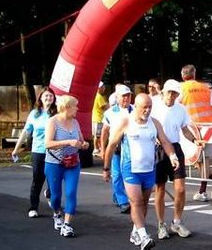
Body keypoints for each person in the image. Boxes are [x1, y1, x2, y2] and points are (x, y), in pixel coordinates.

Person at [103, 93, 179, 250]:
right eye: (144, 107)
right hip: (130, 169)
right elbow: (112, 145)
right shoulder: (126, 122)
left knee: (144, 203)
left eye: (150, 107)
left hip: (149, 169)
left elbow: (165, 141)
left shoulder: (154, 123)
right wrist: (106, 168)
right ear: (136, 107)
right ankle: (144, 236)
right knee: (136, 201)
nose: (147, 110)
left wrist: (172, 156)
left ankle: (135, 231)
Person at [152, 79, 201, 239]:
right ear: (163, 92)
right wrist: (154, 138)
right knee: (160, 188)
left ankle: (177, 222)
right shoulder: (154, 107)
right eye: (169, 92)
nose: (171, 96)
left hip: (175, 147)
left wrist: (194, 140)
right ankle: (161, 224)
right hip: (159, 149)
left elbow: (185, 129)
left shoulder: (181, 109)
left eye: (175, 93)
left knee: (180, 189)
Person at [179, 64, 212, 202]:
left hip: (192, 129)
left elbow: (176, 107)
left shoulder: (181, 88)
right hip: (208, 126)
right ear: (194, 74)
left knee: (202, 160)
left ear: (183, 75)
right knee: (199, 161)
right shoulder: (206, 88)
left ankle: (203, 191)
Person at [44, 95, 89, 237]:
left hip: (73, 163)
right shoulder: (53, 122)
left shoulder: (75, 122)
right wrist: (68, 142)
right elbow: (48, 144)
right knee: (56, 196)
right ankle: (57, 213)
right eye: (75, 106)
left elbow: (81, 140)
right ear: (67, 107)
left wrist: (84, 144)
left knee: (71, 193)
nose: (77, 108)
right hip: (55, 163)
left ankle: (67, 224)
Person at [11, 87, 57, 218]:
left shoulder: (57, 113)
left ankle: (50, 195)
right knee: (37, 179)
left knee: (54, 178)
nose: (48, 98)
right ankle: (33, 207)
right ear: (41, 98)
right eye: (46, 96)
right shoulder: (34, 114)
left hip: (54, 151)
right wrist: (16, 149)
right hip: (38, 150)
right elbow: (26, 132)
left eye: (51, 96)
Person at [100, 84, 133, 214]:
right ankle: (123, 201)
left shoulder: (135, 110)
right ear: (117, 97)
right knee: (117, 174)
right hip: (116, 148)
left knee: (128, 174)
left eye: (128, 96)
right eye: (123, 96)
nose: (126, 98)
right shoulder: (110, 113)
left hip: (131, 148)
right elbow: (104, 132)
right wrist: (103, 149)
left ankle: (118, 195)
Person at [92, 82, 109, 156]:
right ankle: (95, 149)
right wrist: (109, 105)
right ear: (99, 88)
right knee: (97, 135)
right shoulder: (99, 97)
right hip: (98, 118)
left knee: (97, 135)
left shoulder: (96, 95)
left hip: (96, 118)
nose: (104, 88)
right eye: (102, 87)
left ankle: (98, 148)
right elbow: (105, 107)